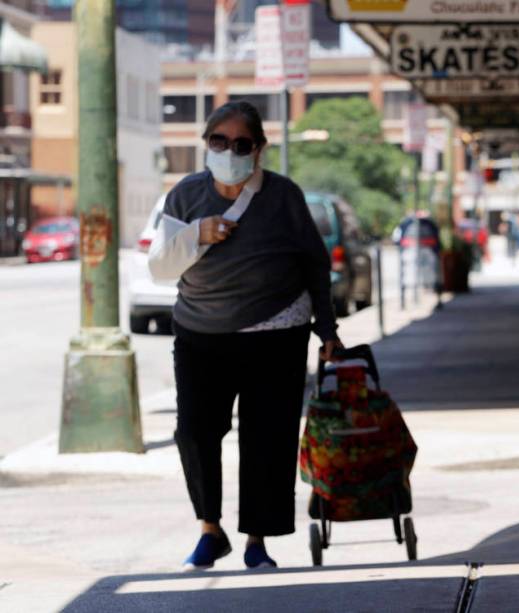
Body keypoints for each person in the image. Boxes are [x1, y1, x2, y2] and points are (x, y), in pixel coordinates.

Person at [148, 101, 343, 571]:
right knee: (194, 431)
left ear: (258, 150)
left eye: (241, 144)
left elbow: (314, 263)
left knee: (267, 437)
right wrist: (198, 233)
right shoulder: (186, 196)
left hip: (276, 330)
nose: (229, 151)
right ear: (206, 143)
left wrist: (327, 330)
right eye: (220, 141)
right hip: (200, 331)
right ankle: (210, 531)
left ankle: (258, 540)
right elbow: (160, 267)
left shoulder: (283, 196)